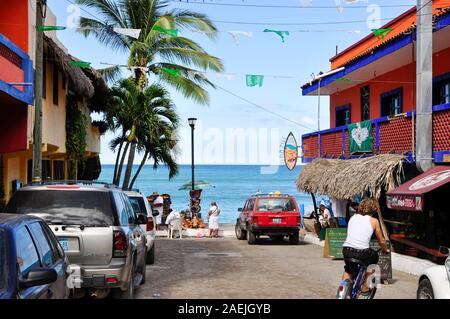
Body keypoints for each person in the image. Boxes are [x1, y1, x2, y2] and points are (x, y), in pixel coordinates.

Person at [342, 198, 390, 295]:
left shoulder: (353, 218)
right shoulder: (374, 221)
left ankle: (341, 292)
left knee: (348, 269)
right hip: (362, 252)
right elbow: (381, 240)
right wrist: (385, 249)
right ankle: (365, 287)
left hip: (347, 250)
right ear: (374, 209)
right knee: (373, 262)